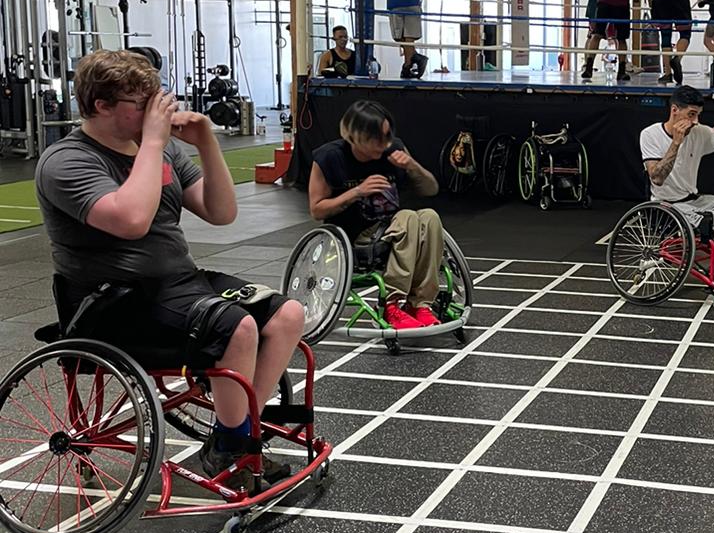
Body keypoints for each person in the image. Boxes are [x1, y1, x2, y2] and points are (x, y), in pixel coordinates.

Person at [34, 49, 306, 482]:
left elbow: (220, 212)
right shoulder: (67, 161)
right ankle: (237, 447)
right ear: (101, 106)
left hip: (177, 282)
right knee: (238, 328)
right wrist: (156, 141)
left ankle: (232, 436)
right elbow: (131, 220)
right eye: (141, 105)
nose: (156, 112)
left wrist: (205, 144)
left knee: (287, 314)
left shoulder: (156, 150)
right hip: (112, 301)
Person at [308, 99, 444, 332]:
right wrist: (357, 192)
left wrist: (413, 166)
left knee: (429, 216)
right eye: (375, 138)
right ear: (353, 136)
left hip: (396, 230)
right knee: (408, 218)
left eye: (387, 135)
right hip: (355, 238)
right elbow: (317, 210)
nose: (384, 144)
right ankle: (390, 303)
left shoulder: (394, 149)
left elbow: (431, 190)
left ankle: (419, 303)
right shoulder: (330, 158)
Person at [640, 85, 714, 233]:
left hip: (693, 200)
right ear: (674, 110)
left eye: (698, 114)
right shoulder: (650, 134)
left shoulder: (700, 132)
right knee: (702, 221)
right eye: (691, 114)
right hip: (666, 203)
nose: (696, 121)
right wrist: (676, 142)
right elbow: (657, 178)